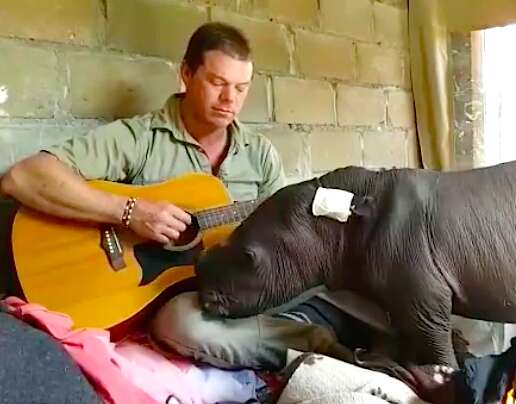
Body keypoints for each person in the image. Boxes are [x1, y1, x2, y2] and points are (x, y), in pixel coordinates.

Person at [0, 21, 386, 370]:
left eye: (241, 87)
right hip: (170, 296)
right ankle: (314, 344)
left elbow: (283, 235)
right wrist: (129, 211)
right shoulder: (140, 138)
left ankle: (349, 343)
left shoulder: (260, 154)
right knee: (183, 325)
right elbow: (24, 177)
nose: (230, 99)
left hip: (235, 285)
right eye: (218, 82)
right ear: (186, 73)